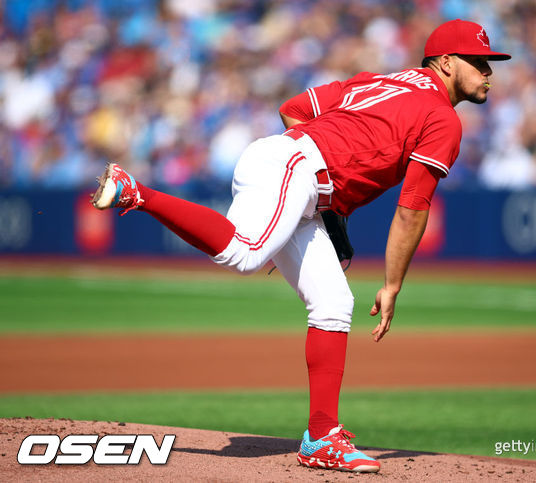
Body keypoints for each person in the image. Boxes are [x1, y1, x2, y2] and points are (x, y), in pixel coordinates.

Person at [92, 18, 510, 473]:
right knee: (245, 253)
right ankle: (137, 191)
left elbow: (294, 107)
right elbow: (412, 207)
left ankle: (321, 438)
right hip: (294, 168)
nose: (488, 72)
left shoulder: (380, 80)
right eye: (479, 62)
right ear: (446, 62)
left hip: (296, 171)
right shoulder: (442, 118)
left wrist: (324, 201)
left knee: (332, 303)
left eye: (489, 63)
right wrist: (392, 284)